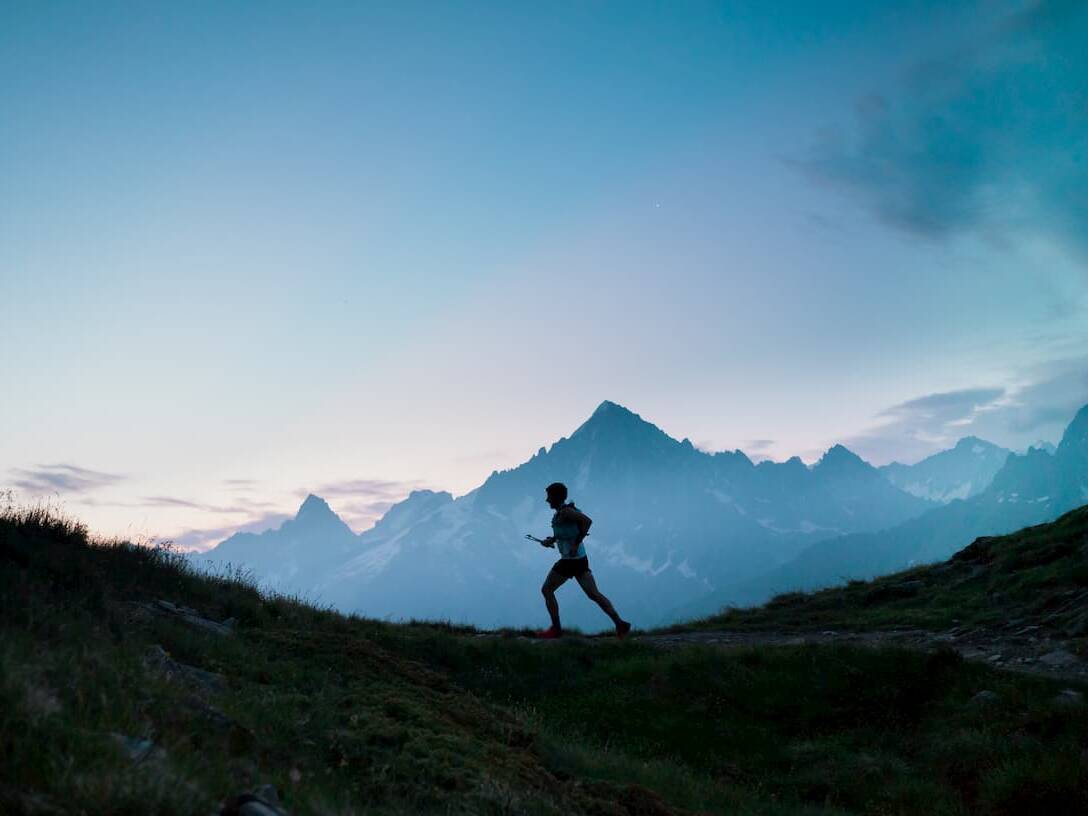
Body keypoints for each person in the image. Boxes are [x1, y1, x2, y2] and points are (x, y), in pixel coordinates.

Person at [534, 481, 631, 639]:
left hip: (570, 560)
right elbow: (566, 532)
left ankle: (556, 630)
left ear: (556, 497)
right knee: (594, 594)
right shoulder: (562, 512)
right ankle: (620, 624)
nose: (547, 500)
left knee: (547, 590)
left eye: (549, 496)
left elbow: (587, 521)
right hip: (579, 560)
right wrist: (551, 540)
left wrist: (576, 544)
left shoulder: (566, 512)